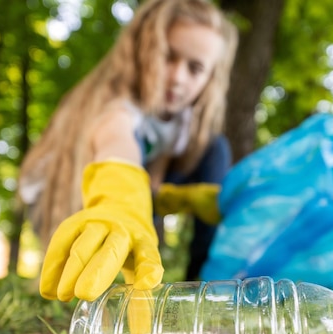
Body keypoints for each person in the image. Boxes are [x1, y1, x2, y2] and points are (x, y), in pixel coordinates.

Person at [17, 0, 238, 302]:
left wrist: (172, 199)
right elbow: (116, 141)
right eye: (168, 57)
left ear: (210, 78)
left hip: (124, 181)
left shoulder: (182, 122)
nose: (178, 77)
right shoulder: (115, 105)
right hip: (57, 193)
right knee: (90, 274)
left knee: (216, 149)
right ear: (143, 49)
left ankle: (203, 284)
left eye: (195, 68)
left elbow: (153, 172)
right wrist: (121, 201)